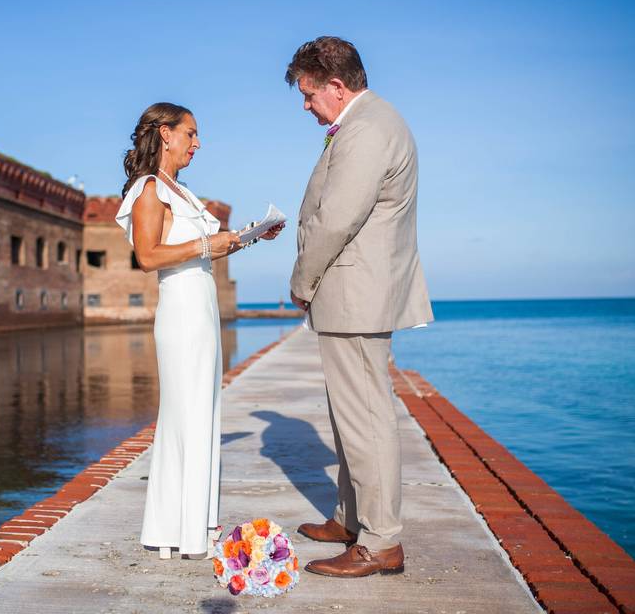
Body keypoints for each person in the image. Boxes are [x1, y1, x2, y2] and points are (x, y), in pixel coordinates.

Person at [285, 37, 434, 578]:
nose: (305, 105)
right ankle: (351, 517)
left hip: (355, 296)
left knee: (366, 420)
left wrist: (302, 280)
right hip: (356, 295)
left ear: (336, 85)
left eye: (308, 94)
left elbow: (336, 219)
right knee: (350, 416)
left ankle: (380, 542)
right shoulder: (371, 122)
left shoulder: (367, 129)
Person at [115, 102, 283, 559]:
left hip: (202, 306)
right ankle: (180, 531)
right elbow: (148, 257)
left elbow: (201, 251)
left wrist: (246, 237)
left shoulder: (181, 191)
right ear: (165, 134)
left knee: (203, 414)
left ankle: (195, 526)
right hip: (181, 312)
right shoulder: (150, 188)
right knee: (185, 415)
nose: (197, 143)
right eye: (191, 133)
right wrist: (209, 242)